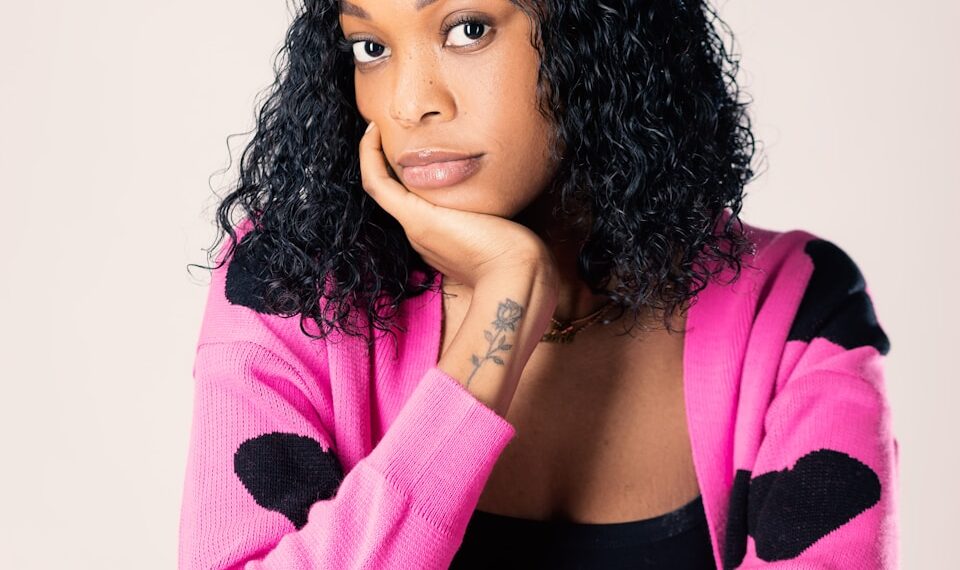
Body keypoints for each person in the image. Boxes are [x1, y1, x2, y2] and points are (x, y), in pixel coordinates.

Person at [178, 0, 900, 568]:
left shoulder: (793, 310)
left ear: (601, 33)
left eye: (466, 28)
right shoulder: (299, 285)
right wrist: (500, 313)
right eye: (372, 47)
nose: (408, 103)